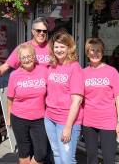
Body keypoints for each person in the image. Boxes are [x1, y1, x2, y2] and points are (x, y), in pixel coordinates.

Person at [82, 38, 119, 164]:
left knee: (109, 159)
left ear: (102, 53)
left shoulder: (111, 72)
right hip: (88, 121)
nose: (95, 54)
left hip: (108, 121)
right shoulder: (82, 73)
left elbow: (118, 98)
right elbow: (78, 98)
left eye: (98, 51)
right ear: (87, 52)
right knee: (91, 158)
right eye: (92, 50)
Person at [44, 31, 84, 164]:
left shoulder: (74, 68)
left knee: (67, 160)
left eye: (62, 47)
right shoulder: (52, 66)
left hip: (66, 121)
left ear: (69, 48)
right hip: (50, 118)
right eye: (56, 47)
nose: (59, 50)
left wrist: (68, 127)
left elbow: (77, 101)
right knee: (56, 154)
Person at [7, 44, 48, 164]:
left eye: (29, 56)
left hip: (39, 118)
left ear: (34, 56)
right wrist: (9, 118)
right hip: (19, 118)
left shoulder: (44, 71)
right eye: (24, 57)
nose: (27, 59)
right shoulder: (14, 75)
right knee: (24, 151)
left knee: (41, 153)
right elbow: (10, 98)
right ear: (19, 60)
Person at [0, 17, 49, 87]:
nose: (42, 33)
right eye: (38, 30)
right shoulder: (23, 48)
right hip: (28, 89)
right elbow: (5, 67)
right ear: (33, 31)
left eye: (44, 31)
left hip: (48, 91)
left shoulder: (52, 48)